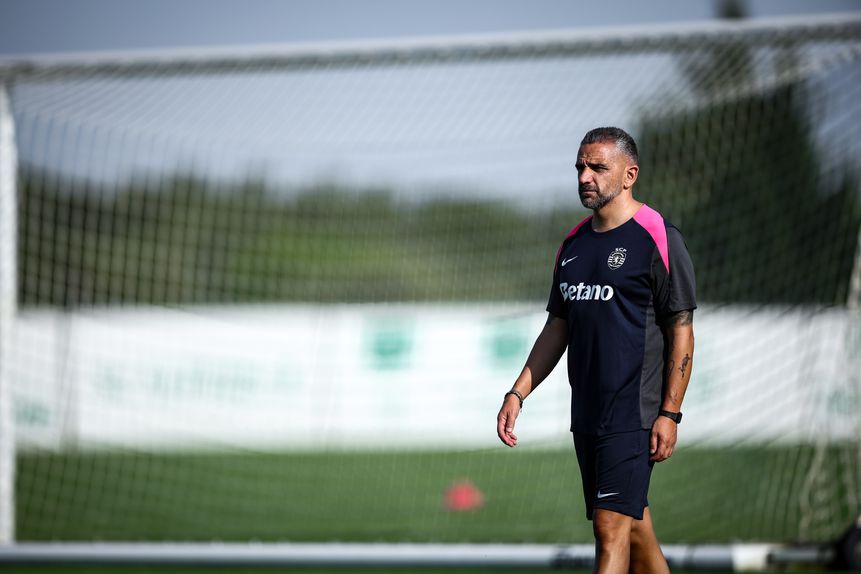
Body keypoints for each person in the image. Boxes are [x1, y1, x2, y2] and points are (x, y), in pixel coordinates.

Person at [496, 127, 696, 574]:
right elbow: (557, 327)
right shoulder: (573, 244)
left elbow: (681, 330)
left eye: (598, 167)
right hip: (587, 414)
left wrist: (670, 412)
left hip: (635, 413)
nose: (585, 176)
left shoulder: (658, 236)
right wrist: (517, 393)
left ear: (629, 175)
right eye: (580, 167)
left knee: (609, 529)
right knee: (634, 527)